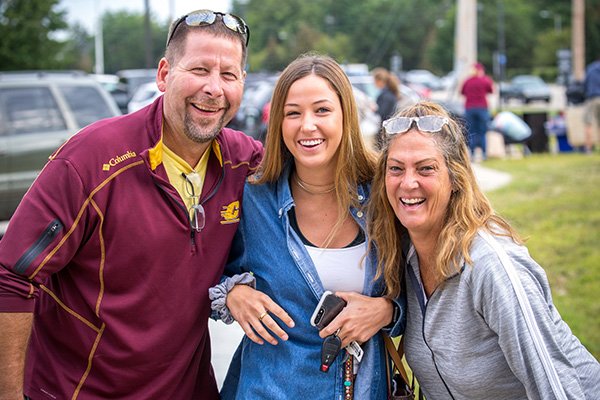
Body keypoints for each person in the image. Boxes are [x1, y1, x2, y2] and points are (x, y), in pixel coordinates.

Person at [0, 9, 262, 400]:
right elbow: (12, 275)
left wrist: (385, 306)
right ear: (163, 75)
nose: (214, 88)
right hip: (82, 390)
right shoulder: (91, 160)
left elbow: (317, 187)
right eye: (199, 69)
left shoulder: (246, 161)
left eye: (228, 75)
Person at [367, 101, 600, 399]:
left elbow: (557, 389)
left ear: (455, 178)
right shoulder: (405, 256)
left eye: (426, 169)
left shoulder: (492, 267)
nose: (408, 183)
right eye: (396, 169)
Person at [209, 54, 406, 399]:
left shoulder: (384, 195)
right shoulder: (254, 199)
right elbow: (204, 272)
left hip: (363, 388)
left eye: (322, 110)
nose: (307, 125)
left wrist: (388, 311)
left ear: (346, 114)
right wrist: (233, 294)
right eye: (293, 113)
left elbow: (426, 292)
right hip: (270, 388)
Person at [460, 62, 494, 161]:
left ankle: (472, 153)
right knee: (482, 131)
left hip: (469, 108)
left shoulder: (467, 81)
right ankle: (484, 154)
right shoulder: (485, 80)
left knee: (472, 131)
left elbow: (463, 92)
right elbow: (491, 90)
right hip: (482, 107)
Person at [372, 67, 401, 150]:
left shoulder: (386, 95)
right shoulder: (390, 93)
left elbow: (383, 112)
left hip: (385, 128)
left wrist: (375, 109)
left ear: (379, 81)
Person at [583, 56, 600, 153]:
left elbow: (584, 84)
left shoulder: (591, 68)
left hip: (592, 98)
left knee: (588, 123)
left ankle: (588, 148)